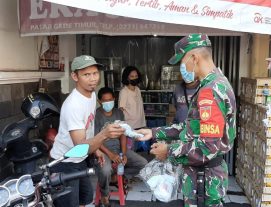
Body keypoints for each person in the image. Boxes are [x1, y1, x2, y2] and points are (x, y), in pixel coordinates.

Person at [137, 33, 236, 207]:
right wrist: (154, 132)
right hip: (205, 177)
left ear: (194, 57)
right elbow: (192, 127)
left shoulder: (209, 91)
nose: (181, 67)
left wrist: (168, 151)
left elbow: (207, 147)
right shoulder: (216, 83)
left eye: (181, 61)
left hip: (204, 181)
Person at [50, 55, 125, 207]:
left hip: (80, 160)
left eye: (95, 73)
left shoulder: (91, 95)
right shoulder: (73, 105)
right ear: (74, 76)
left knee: (84, 199)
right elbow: (80, 147)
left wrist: (96, 150)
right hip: (65, 162)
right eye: (86, 74)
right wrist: (104, 135)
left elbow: (88, 130)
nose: (93, 79)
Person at [94, 87, 148, 206]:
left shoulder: (119, 112)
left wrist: (123, 153)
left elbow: (123, 134)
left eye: (110, 100)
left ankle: (116, 178)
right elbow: (96, 141)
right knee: (105, 169)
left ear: (114, 99)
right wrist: (111, 155)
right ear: (99, 102)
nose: (108, 103)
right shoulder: (96, 115)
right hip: (103, 150)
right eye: (105, 100)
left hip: (118, 149)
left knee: (143, 163)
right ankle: (104, 194)